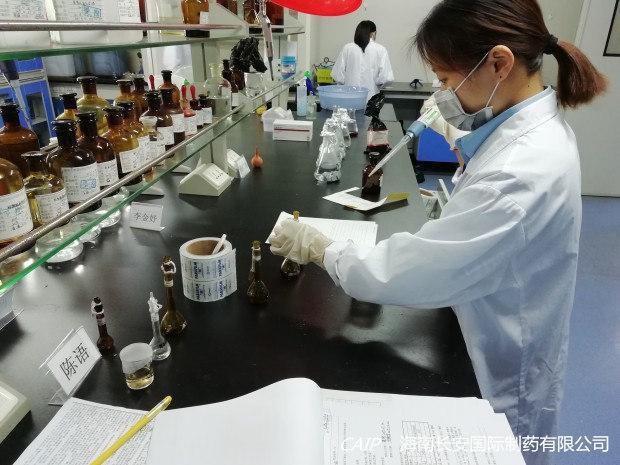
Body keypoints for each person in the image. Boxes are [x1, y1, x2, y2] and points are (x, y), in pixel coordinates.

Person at [270, 1, 607, 464]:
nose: (442, 92)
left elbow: (406, 273)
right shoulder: (527, 129)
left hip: (503, 361)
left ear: (499, 63)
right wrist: (471, 148)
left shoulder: (519, 172)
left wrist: (323, 249)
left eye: (447, 80)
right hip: (497, 311)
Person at [331, 20, 394, 100]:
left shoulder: (348, 48)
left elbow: (337, 75)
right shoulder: (381, 49)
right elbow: (387, 78)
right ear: (373, 33)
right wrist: (375, 83)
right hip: (371, 98)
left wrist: (348, 82)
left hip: (349, 97)